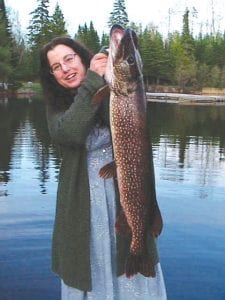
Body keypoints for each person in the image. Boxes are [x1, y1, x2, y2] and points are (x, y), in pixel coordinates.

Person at [39, 36, 167, 300]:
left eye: (69, 58)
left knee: (131, 255)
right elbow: (71, 133)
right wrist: (92, 83)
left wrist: (111, 64)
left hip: (126, 194)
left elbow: (131, 77)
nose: (65, 68)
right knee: (89, 265)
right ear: (52, 75)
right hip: (83, 206)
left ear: (83, 59)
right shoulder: (57, 108)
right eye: (56, 67)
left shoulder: (118, 90)